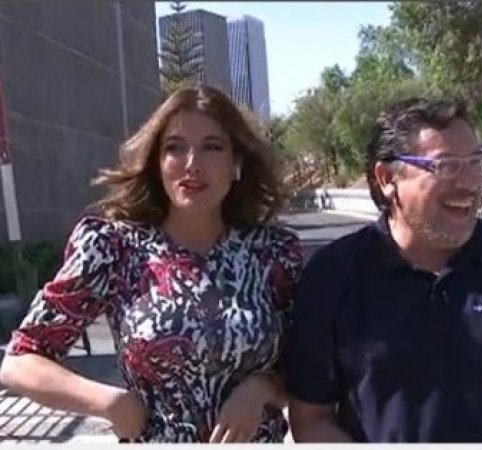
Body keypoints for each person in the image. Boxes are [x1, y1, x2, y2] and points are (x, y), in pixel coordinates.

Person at [0, 85, 303, 443]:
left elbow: (313, 363)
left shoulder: (272, 253)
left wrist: (263, 388)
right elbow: (20, 361)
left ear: (236, 163)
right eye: (175, 147)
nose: (192, 164)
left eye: (212, 147)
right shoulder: (114, 248)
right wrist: (108, 402)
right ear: (157, 163)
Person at [285, 98, 482, 443]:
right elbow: (311, 419)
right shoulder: (333, 273)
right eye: (446, 166)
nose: (469, 183)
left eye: (475, 163)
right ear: (387, 178)